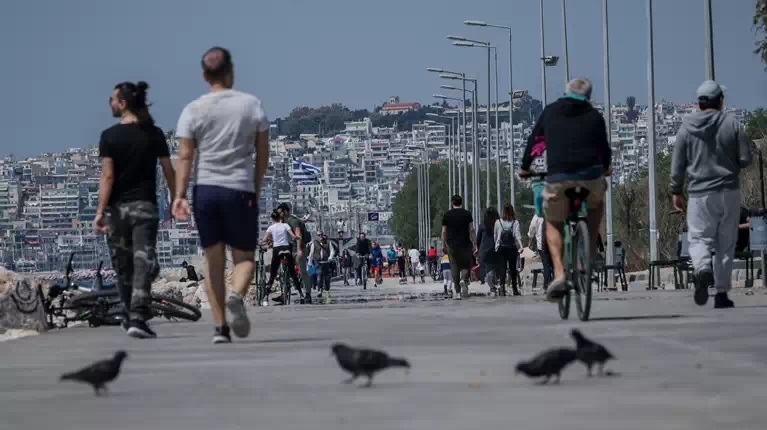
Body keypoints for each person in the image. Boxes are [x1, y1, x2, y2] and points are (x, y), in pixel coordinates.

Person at [172, 47, 269, 344]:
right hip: (240, 189)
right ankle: (236, 295)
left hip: (207, 191)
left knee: (213, 262)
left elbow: (185, 157)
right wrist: (255, 185)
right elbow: (262, 153)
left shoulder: (192, 110)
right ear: (232, 71)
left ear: (204, 75)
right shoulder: (251, 106)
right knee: (244, 259)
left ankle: (220, 328)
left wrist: (179, 195)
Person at [94, 81, 175, 339]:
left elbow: (107, 177)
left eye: (113, 98)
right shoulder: (154, 133)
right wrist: (176, 198)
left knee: (123, 266)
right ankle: (137, 317)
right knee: (143, 261)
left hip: (116, 211)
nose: (109, 102)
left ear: (123, 104)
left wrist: (99, 211)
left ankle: (131, 314)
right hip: (144, 208)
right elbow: (168, 169)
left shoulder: (109, 136)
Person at [519, 77, 611, 302]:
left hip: (559, 177)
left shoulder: (551, 112)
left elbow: (536, 142)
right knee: (597, 202)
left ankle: (559, 273)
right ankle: (589, 249)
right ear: (588, 96)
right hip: (589, 177)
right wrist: (606, 168)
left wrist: (525, 167)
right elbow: (603, 150)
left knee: (552, 220)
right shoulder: (594, 116)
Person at [670, 80, 752, 309]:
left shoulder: (686, 126)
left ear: (699, 103)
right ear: (720, 101)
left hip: (699, 194)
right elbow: (746, 158)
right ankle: (722, 295)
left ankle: (703, 268)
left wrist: (676, 191)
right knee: (726, 243)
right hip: (728, 191)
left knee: (698, 238)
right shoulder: (732, 123)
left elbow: (677, 164)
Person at [441, 195, 477, 300]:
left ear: (452, 203)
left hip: (452, 245)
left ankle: (457, 292)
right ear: (461, 202)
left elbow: (444, 231)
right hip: (465, 244)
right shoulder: (467, 214)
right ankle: (463, 279)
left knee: (454, 266)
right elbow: (471, 229)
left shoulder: (447, 215)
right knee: (466, 264)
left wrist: (443, 245)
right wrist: (475, 243)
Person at [277, 203, 313, 304]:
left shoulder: (293, 220)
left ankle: (308, 294)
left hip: (298, 248)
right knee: (282, 270)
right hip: (287, 249)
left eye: (281, 212)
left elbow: (298, 235)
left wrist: (300, 251)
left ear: (286, 211)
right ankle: (284, 292)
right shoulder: (281, 222)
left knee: (302, 271)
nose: (280, 215)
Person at [263, 210, 300, 303]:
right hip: (286, 248)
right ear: (280, 218)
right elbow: (293, 236)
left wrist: (268, 241)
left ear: (272, 219)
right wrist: (296, 237)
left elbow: (264, 239)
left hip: (277, 250)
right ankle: (301, 294)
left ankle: (265, 297)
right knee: (292, 272)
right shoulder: (285, 225)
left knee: (273, 273)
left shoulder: (271, 228)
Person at [495, 204, 524, 296]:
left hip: (501, 248)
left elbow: (495, 236)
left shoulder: (498, 222)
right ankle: (515, 289)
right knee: (513, 269)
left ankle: (502, 288)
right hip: (512, 248)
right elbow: (517, 235)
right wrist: (521, 246)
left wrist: (496, 246)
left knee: (502, 268)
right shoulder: (515, 222)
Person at [477, 208, 501, 295]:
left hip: (485, 251)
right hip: (496, 249)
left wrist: (478, 249)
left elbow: (478, 240)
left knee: (489, 270)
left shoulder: (482, 226)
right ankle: (498, 284)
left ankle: (492, 288)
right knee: (497, 269)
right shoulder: (498, 225)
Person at [309, 231, 336, 302]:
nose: (320, 236)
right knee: (319, 276)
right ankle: (320, 289)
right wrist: (310, 262)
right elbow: (311, 253)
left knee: (327, 278)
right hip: (318, 262)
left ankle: (327, 291)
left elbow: (332, 251)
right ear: (316, 236)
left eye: (321, 235)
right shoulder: (314, 243)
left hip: (326, 262)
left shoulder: (328, 242)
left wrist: (330, 258)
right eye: (318, 235)